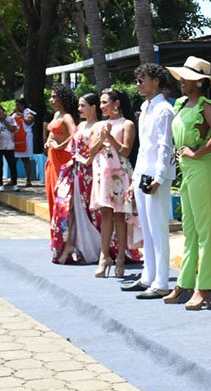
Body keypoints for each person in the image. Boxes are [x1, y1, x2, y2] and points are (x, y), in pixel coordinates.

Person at [161, 57, 211, 310]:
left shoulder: (206, 105)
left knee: (205, 231)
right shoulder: (180, 104)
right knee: (190, 231)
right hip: (187, 171)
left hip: (203, 170)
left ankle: (204, 288)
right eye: (182, 77)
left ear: (200, 82)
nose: (182, 82)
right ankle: (185, 282)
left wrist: (198, 152)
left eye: (187, 78)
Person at [120, 63, 176, 299]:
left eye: (142, 79)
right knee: (147, 228)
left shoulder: (164, 109)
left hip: (156, 175)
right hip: (144, 172)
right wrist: (134, 179)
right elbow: (144, 148)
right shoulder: (146, 107)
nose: (138, 83)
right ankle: (148, 276)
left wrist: (159, 177)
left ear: (156, 81)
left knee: (158, 228)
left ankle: (162, 281)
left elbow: (165, 147)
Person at [90, 89, 143, 277]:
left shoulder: (127, 124)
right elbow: (91, 150)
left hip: (120, 173)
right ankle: (104, 256)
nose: (102, 106)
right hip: (103, 172)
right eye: (101, 103)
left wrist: (110, 137)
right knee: (105, 213)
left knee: (120, 215)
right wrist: (101, 139)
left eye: (105, 102)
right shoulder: (99, 125)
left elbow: (126, 151)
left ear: (116, 103)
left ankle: (121, 256)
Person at [50, 93, 103, 265]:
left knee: (91, 211)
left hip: (92, 173)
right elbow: (72, 146)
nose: (79, 109)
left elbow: (94, 150)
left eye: (82, 106)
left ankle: (94, 248)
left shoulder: (100, 126)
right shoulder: (80, 126)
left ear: (93, 108)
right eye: (79, 106)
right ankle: (71, 246)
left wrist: (84, 159)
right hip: (76, 172)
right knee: (70, 209)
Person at [45, 84, 77, 219]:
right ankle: (56, 234)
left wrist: (60, 146)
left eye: (54, 97)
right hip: (52, 160)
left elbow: (75, 133)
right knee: (51, 193)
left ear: (62, 98)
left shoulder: (67, 117)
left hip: (63, 160)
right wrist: (48, 141)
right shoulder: (56, 114)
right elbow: (52, 132)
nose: (51, 100)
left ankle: (64, 235)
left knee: (62, 195)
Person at [0, 105, 19, 192]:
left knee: (12, 164)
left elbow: (13, 129)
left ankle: (14, 183)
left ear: (3, 111)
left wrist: (5, 121)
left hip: (9, 145)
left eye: (0, 111)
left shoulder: (10, 119)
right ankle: (0, 183)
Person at [12, 98, 36, 187]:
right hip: (17, 137)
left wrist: (21, 115)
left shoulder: (29, 113)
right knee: (13, 159)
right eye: (16, 105)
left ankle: (28, 180)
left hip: (26, 138)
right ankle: (13, 180)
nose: (17, 107)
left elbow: (29, 122)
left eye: (19, 105)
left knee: (26, 159)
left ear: (23, 105)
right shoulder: (14, 113)